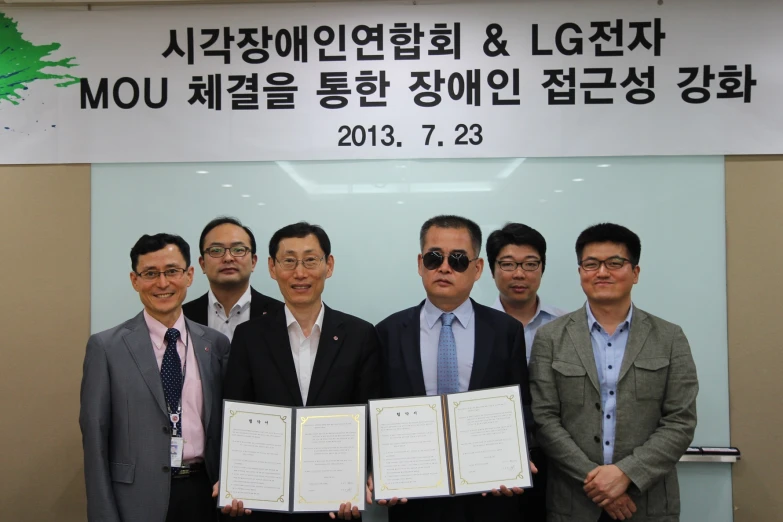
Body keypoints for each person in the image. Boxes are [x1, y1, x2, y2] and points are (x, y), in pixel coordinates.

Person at [529, 223, 699, 522]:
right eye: (591, 264)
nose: (602, 272)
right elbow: (544, 419)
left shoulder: (670, 337)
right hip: (574, 502)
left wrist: (626, 474)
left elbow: (680, 421)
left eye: (615, 263)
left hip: (647, 502)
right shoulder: (551, 337)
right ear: (581, 272)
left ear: (635, 272)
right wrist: (597, 483)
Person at [374, 215, 533, 522]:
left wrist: (516, 457)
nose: (444, 268)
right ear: (421, 264)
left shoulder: (505, 331)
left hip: (488, 493)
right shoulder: (388, 332)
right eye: (435, 258)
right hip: (412, 494)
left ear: (477, 269)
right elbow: (376, 407)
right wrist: (377, 468)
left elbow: (521, 405)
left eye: (458, 260)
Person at [224, 222, 381, 521]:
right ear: (272, 267)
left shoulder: (360, 335)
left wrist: (358, 481)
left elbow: (369, 414)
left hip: (337, 507)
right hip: (266, 506)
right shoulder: (249, 337)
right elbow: (236, 412)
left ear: (329, 265)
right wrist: (235, 482)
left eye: (310, 260)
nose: (300, 273)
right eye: (289, 261)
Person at [79, 233, 242, 521]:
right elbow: (95, 440)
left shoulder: (215, 345)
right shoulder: (106, 347)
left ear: (190, 275)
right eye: (150, 273)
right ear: (134, 280)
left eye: (172, 271)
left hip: (205, 493)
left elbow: (229, 425)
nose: (163, 283)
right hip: (135, 499)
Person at [486, 222, 566, 521]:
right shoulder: (474, 325)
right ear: (490, 269)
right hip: (492, 455)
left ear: (542, 268)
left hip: (557, 457)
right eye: (507, 264)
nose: (519, 274)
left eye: (530, 264)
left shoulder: (566, 325)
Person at [183, 216, 281, 340]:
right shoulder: (183, 317)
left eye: (238, 250)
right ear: (203, 264)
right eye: (216, 250)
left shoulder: (280, 314)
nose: (228, 258)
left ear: (253, 262)